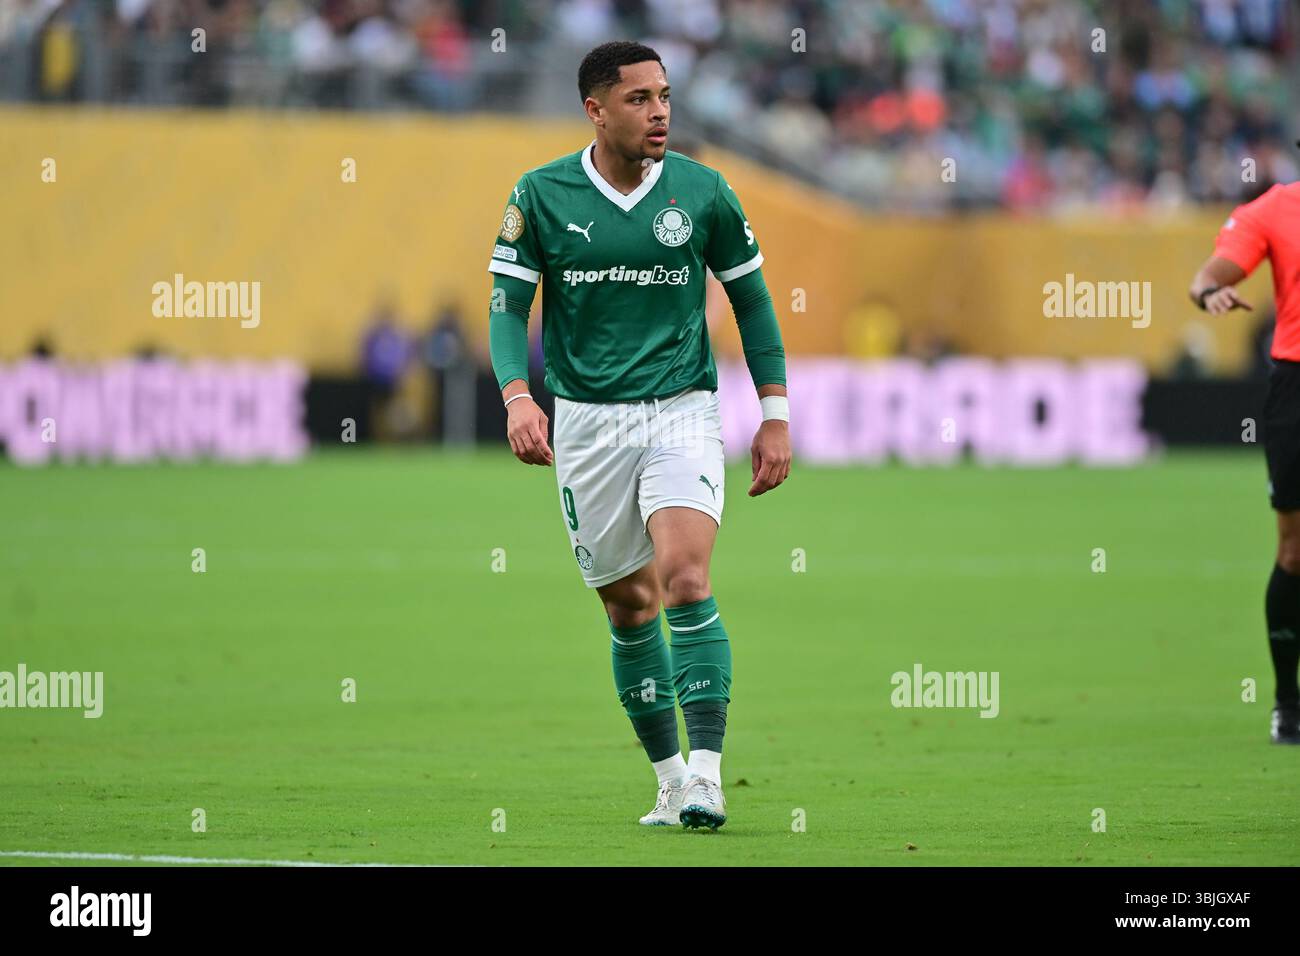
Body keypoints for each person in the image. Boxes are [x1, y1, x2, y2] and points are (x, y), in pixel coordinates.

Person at [486, 41, 790, 827]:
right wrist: (519, 395)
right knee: (628, 605)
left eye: (665, 96)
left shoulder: (703, 191)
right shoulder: (542, 194)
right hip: (586, 421)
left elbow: (752, 301)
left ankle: (710, 777)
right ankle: (668, 776)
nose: (659, 112)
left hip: (681, 408)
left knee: (685, 577)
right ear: (596, 109)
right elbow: (506, 308)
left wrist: (774, 411)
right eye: (640, 99)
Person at [1189, 172, 1300, 743]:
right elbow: (1207, 276)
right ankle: (1287, 701)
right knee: (1294, 551)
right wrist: (1211, 292)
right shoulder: (1273, 209)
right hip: (1295, 391)